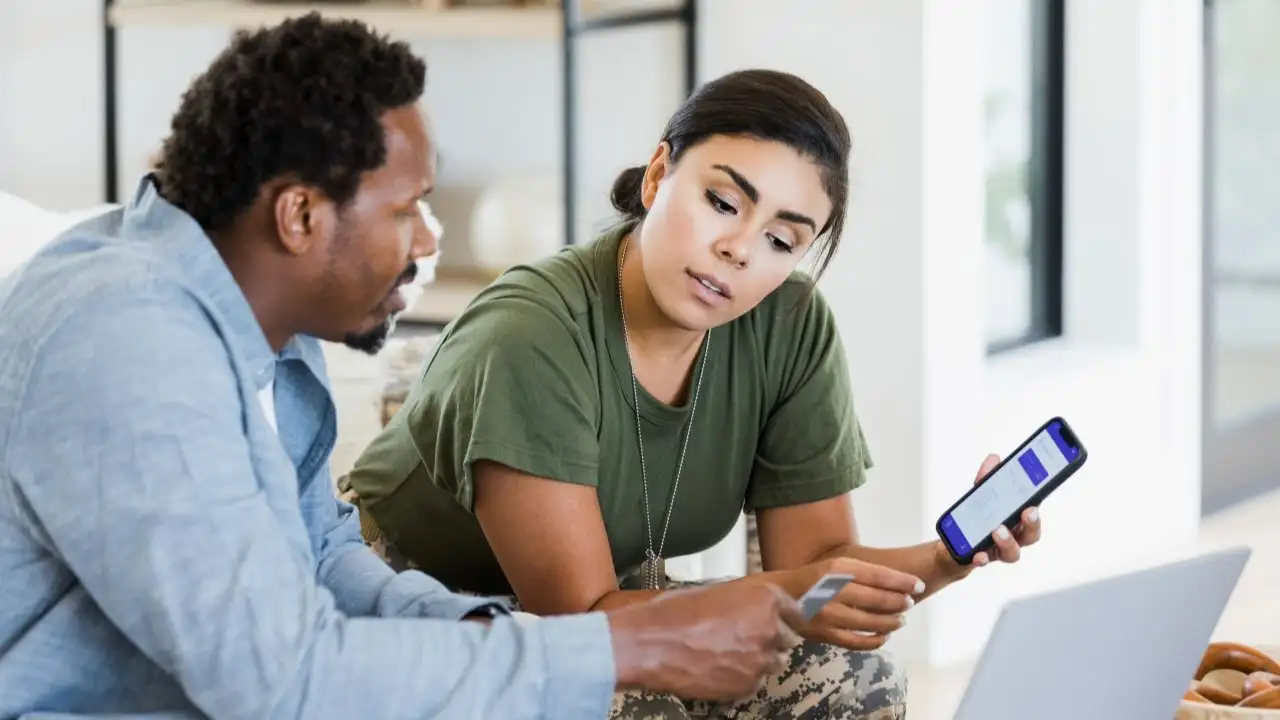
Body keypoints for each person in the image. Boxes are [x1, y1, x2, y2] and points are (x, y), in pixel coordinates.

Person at [0, 15, 811, 719]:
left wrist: (496, 634)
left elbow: (317, 555)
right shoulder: (130, 340)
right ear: (301, 215)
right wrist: (607, 655)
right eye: (406, 208)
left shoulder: (259, 326)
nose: (427, 240)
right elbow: (283, 681)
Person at [343, 68, 1045, 719]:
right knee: (637, 707)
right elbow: (581, 629)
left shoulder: (788, 327)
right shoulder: (531, 336)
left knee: (853, 679)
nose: (739, 249)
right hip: (416, 612)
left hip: (609, 606)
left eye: (781, 239)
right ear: (657, 174)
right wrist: (786, 596)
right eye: (721, 202)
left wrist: (948, 558)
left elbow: (819, 576)